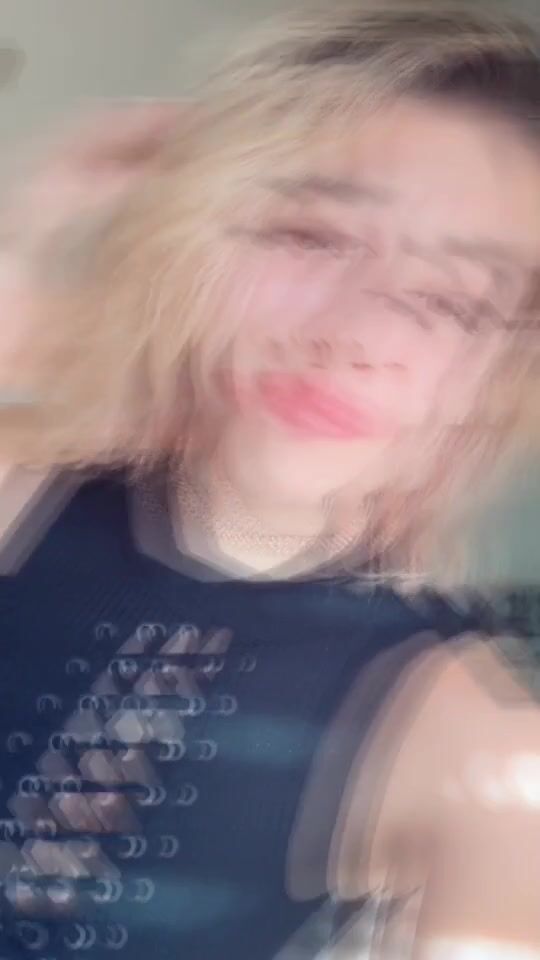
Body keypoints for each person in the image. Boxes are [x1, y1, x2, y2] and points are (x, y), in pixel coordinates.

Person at [0, 0, 540, 957]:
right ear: (199, 239)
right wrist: (32, 255)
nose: (355, 334)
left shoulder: (475, 741)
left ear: (494, 380)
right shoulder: (21, 482)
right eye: (311, 237)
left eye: (455, 301)